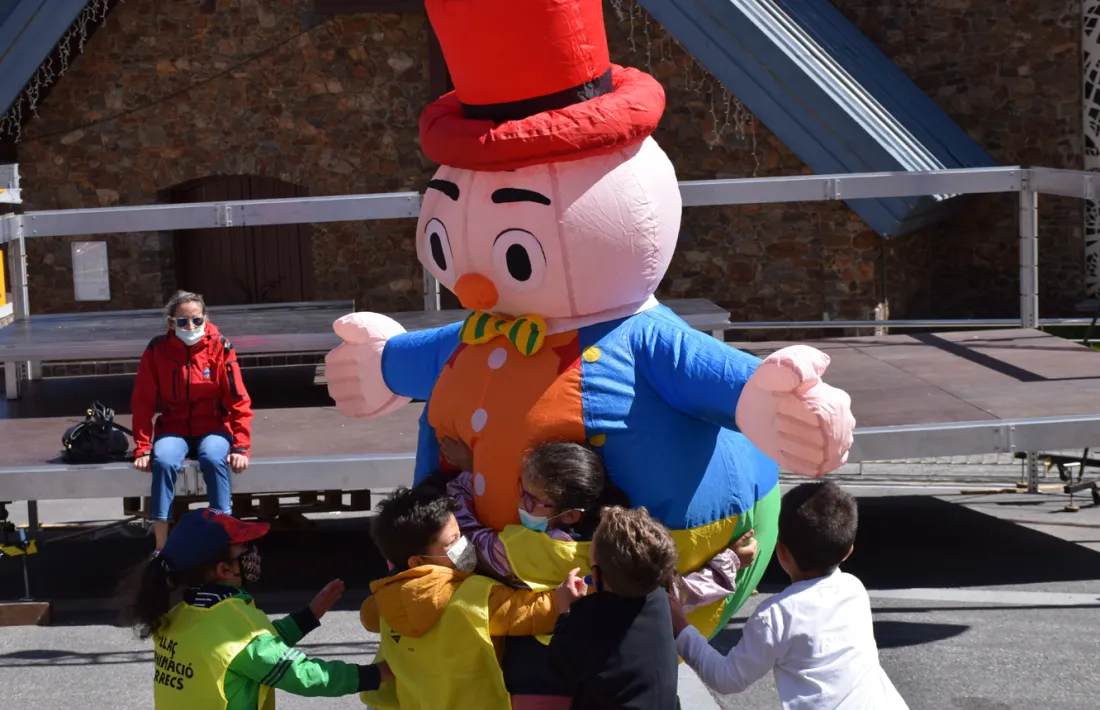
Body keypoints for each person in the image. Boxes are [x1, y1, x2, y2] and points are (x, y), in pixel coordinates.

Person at [669, 482, 909, 709]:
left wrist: (682, 628)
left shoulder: (777, 616)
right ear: (848, 552)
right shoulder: (855, 589)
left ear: (780, 551)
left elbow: (726, 678)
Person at [126, 507, 390, 709]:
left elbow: (253, 651)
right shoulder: (236, 627)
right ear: (224, 569)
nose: (252, 551)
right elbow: (303, 676)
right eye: (243, 546)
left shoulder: (178, 614)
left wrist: (308, 616)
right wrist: (374, 674)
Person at [359, 485, 588, 710]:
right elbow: (526, 613)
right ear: (417, 562)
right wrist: (561, 598)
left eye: (460, 534)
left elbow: (368, 618)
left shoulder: (382, 602)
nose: (464, 544)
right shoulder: (474, 594)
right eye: (452, 542)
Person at [131, 290, 253, 550]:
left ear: (205, 319)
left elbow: (238, 398)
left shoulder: (220, 346)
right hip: (173, 428)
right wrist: (142, 447)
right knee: (162, 461)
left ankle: (224, 542)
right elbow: (142, 401)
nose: (191, 326)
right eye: (183, 321)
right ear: (171, 323)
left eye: (197, 320)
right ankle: (161, 548)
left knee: (213, 458)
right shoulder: (157, 350)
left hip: (213, 426)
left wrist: (241, 445)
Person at [545, 505, 681, 709]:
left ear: (597, 576)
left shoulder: (587, 616)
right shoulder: (661, 599)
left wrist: (565, 610)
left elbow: (559, 666)